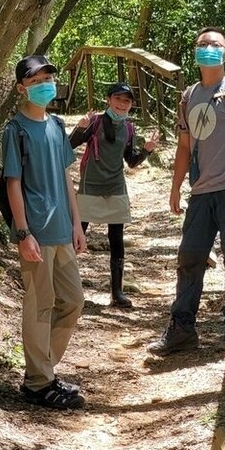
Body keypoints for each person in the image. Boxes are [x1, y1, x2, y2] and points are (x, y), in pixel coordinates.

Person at [148, 27, 225, 356]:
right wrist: (175, 188)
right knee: (190, 258)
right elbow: (184, 146)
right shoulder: (189, 95)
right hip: (201, 192)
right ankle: (182, 329)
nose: (209, 48)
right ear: (195, 52)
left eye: (216, 45)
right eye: (203, 44)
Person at [2, 54, 87, 409]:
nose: (44, 86)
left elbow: (67, 176)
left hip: (61, 232)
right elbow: (13, 183)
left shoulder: (56, 125)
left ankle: (43, 371)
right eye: (35, 82)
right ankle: (39, 381)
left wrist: (77, 222)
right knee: (40, 306)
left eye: (48, 79)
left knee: (72, 301)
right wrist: (23, 233)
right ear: (22, 88)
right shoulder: (16, 130)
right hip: (35, 232)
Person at [69, 82, 158, 309]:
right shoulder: (95, 122)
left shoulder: (128, 129)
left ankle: (117, 292)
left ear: (130, 106)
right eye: (118, 99)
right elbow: (69, 145)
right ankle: (64, 286)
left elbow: (131, 161)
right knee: (77, 234)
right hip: (91, 185)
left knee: (116, 239)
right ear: (109, 99)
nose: (122, 104)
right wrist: (80, 128)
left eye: (126, 101)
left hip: (116, 185)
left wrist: (147, 150)